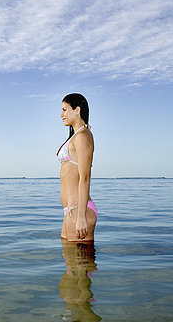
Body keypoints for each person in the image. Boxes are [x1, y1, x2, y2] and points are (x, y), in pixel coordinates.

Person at [57, 93, 97, 242]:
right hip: (70, 211)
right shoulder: (76, 136)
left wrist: (81, 217)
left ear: (77, 110)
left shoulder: (83, 136)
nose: (61, 114)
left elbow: (85, 177)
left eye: (65, 110)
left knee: (81, 264)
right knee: (72, 263)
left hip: (79, 210)